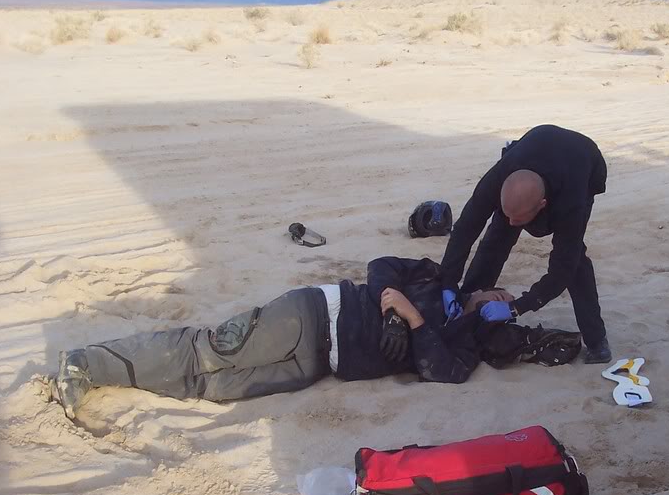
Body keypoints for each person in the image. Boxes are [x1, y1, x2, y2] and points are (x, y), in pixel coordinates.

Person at [50, 257, 582, 420]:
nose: (501, 296)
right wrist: (393, 307)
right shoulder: (438, 277)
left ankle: (125, 381)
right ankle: (87, 363)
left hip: (319, 365)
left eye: (504, 303)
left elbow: (441, 373)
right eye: (499, 290)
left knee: (215, 388)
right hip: (313, 314)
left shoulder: (462, 343)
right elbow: (380, 267)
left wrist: (417, 324)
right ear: (483, 286)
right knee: (212, 349)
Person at [440, 124, 612, 364]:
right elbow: (465, 229)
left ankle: (597, 340)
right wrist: (448, 283)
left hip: (582, 164)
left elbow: (562, 269)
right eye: (508, 214)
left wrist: (516, 307)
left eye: (518, 219)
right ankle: (469, 309)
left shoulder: (571, 204)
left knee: (576, 262)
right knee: (496, 238)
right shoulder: (498, 178)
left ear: (542, 205)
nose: (512, 223)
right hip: (530, 153)